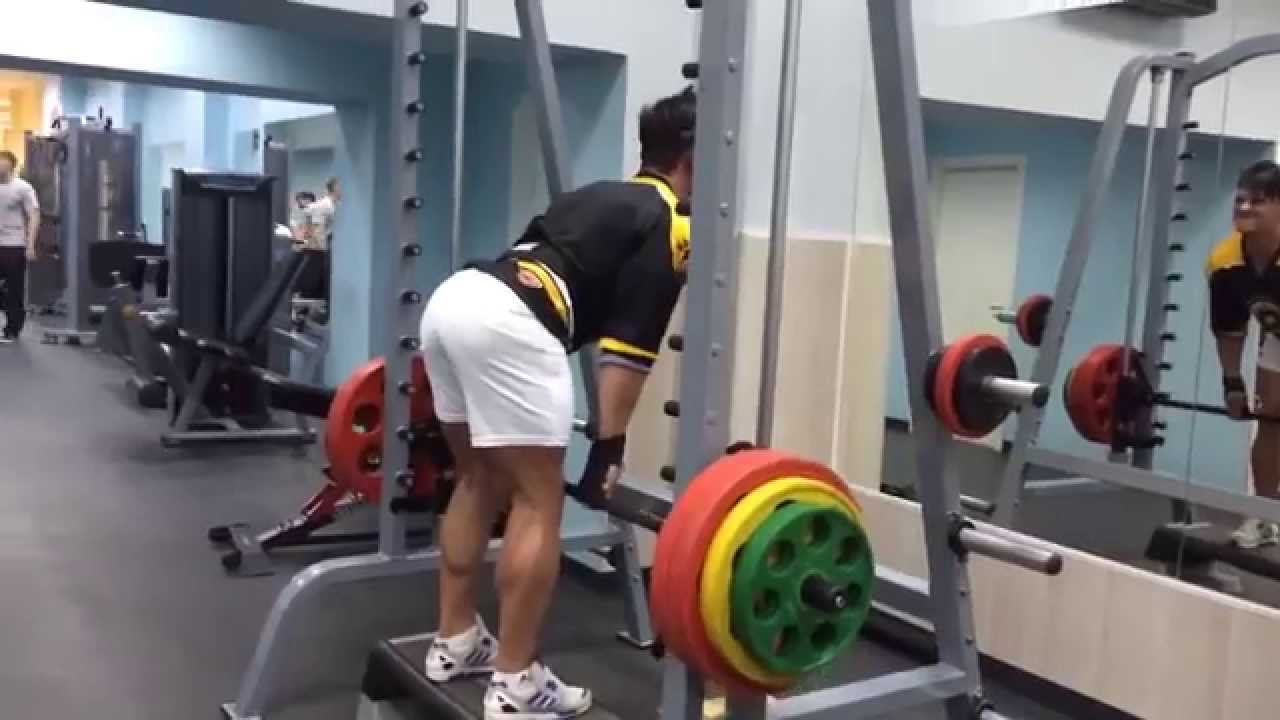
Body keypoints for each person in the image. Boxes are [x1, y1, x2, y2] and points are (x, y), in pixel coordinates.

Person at [417, 85, 695, 720]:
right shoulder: (670, 220)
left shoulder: (598, 194)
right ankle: (516, 680)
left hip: (456, 299)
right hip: (514, 324)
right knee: (538, 501)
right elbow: (629, 348)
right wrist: (609, 448)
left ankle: (454, 640)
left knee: (477, 479)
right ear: (692, 157)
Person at [1207, 160, 1280, 548]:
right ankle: (1264, 517)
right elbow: (1230, 330)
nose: (1245, 207)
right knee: (1270, 419)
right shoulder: (1225, 262)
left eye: (1258, 201)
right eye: (1240, 200)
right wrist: (1232, 383)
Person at [0, 150, 41, 344]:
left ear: (11, 165)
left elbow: (34, 215)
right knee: (7, 292)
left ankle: (12, 329)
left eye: (2, 163)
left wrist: (30, 244)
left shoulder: (23, 188)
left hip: (14, 245)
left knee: (14, 289)